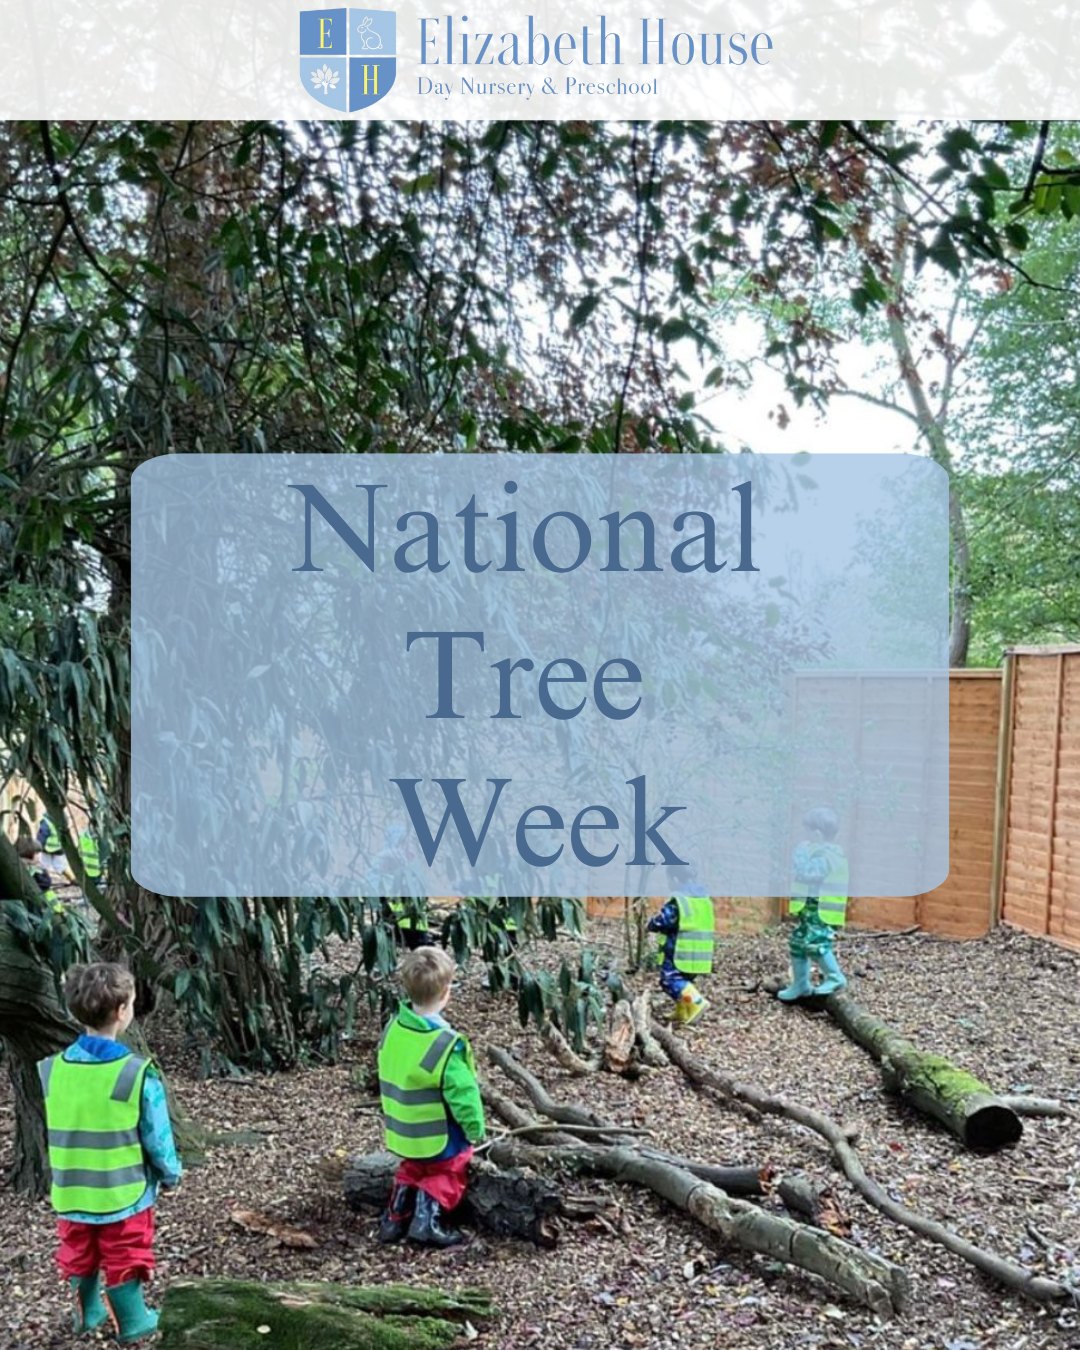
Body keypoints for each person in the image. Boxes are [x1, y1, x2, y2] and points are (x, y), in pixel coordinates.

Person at [37, 962, 182, 1342]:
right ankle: (133, 1322)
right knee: (125, 1251)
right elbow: (157, 1136)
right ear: (122, 1012)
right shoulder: (136, 1073)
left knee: (78, 1251)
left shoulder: (51, 1070)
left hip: (71, 1192)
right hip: (122, 1192)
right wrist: (170, 1173)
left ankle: (87, 1315)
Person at [376, 946, 485, 1248]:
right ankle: (426, 1221)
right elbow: (464, 1096)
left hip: (403, 1131)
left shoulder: (393, 1029)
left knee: (413, 1167)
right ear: (446, 991)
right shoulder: (445, 1045)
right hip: (437, 1134)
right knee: (449, 1168)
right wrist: (475, 1130)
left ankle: (394, 1218)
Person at [778, 807, 850, 1001]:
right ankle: (801, 984)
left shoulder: (827, 856)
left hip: (820, 909)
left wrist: (799, 854)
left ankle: (835, 977)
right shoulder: (821, 852)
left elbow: (807, 873)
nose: (804, 836)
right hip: (809, 908)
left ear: (817, 834)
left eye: (807, 831)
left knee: (816, 942)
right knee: (798, 942)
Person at [646, 872, 715, 1024]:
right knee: (684, 980)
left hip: (679, 950)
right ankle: (682, 1011)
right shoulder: (703, 899)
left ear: (675, 878)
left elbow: (664, 920)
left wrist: (651, 923)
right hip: (699, 953)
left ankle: (697, 1002)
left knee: (670, 980)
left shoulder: (679, 901)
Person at [17, 834, 59, 903]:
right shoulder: (34, 872)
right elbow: (46, 884)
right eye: (38, 853)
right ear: (31, 853)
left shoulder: (32, 868)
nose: (40, 856)